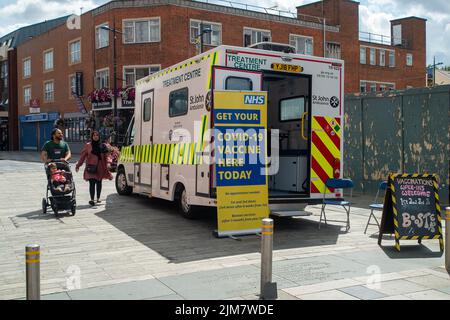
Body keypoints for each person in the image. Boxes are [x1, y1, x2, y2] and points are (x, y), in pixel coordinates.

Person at [76, 131, 113, 206]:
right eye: (94, 135)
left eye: (97, 135)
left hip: (100, 167)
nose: (96, 137)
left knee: (99, 182)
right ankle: (92, 199)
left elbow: (107, 155)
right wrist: (78, 165)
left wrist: (108, 163)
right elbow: (83, 156)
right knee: (92, 183)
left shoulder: (103, 146)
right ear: (92, 137)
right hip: (91, 167)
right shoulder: (88, 145)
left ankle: (98, 198)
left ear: (99, 137)